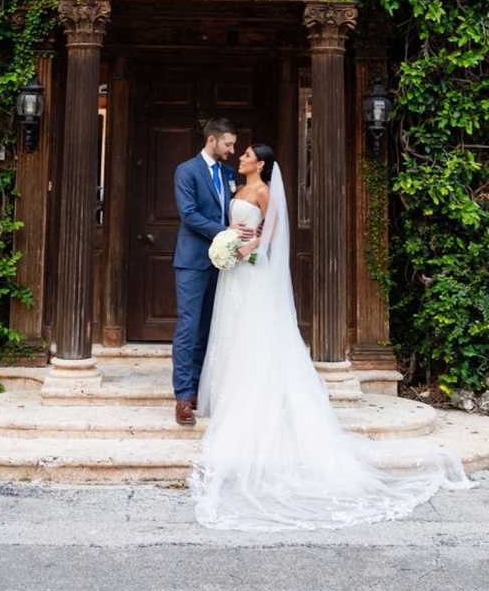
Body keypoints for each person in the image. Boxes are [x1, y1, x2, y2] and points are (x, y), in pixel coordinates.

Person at [189, 144, 472, 530]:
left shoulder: (262, 191)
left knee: (252, 333)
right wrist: (228, 240)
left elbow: (271, 233)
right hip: (233, 274)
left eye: (248, 154)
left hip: (250, 270)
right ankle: (225, 395)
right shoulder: (238, 188)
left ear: (262, 164)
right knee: (230, 332)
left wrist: (250, 246)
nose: (241, 157)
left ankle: (255, 401)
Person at [171, 118, 253, 427]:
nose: (232, 150)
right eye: (228, 144)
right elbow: (189, 215)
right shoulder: (186, 171)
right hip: (193, 260)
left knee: (210, 327)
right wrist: (225, 231)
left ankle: (200, 389)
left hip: (224, 264)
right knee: (188, 327)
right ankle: (183, 396)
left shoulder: (229, 174)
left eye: (233, 146)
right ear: (211, 141)